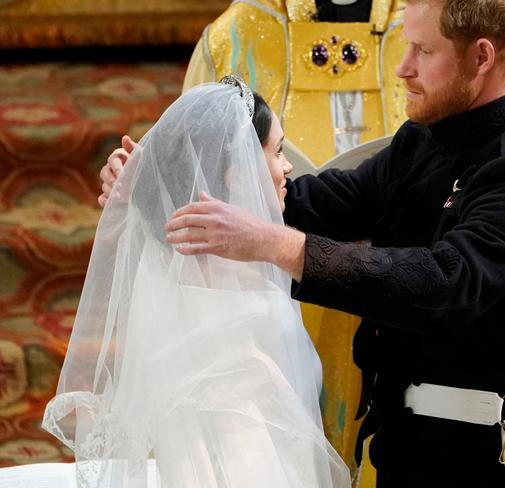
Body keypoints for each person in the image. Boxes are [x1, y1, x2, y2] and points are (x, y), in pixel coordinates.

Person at [162, 0, 505, 487]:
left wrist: (275, 245)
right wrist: (162, 191)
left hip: (484, 460)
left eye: (422, 51)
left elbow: (441, 284)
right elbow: (322, 202)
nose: (403, 68)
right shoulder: (423, 142)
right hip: (407, 451)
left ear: (482, 58)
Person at [42, 79, 350, 488]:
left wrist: (149, 185)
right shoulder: (235, 276)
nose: (288, 166)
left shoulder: (176, 258)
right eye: (277, 151)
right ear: (236, 170)